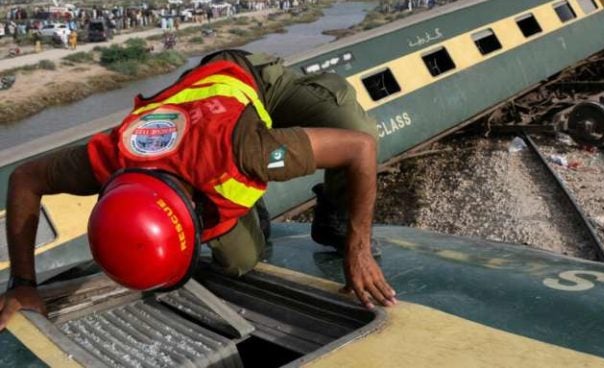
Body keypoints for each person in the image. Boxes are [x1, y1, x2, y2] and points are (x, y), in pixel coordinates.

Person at [0, 50, 396, 331]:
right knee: (241, 261)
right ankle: (248, 209)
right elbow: (25, 179)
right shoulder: (110, 156)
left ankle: (335, 221)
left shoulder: (245, 152)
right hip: (195, 117)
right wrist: (23, 285)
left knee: (355, 126)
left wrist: (357, 247)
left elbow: (359, 150)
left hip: (246, 80)